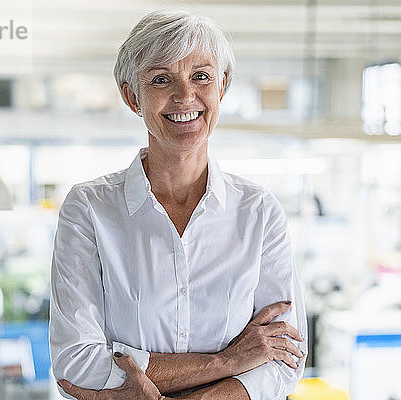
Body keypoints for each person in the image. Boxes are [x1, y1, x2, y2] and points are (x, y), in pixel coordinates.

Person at [50, 10, 308, 400]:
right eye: (161, 79)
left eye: (201, 77)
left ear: (221, 87)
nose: (185, 95)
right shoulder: (89, 209)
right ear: (132, 96)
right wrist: (228, 362)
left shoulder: (259, 212)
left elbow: (284, 357)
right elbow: (76, 362)